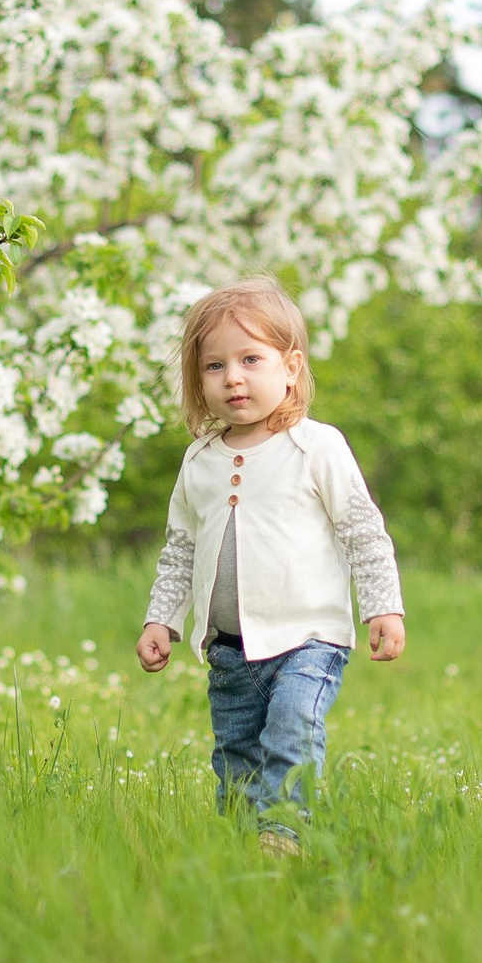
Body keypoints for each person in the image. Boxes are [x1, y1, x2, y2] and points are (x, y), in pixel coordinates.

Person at [136, 277, 406, 854]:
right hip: (230, 650)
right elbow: (180, 548)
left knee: (291, 729)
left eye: (250, 359)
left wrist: (383, 606)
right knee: (235, 757)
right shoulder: (200, 461)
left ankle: (284, 835)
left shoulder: (316, 447)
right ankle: (242, 855)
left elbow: (364, 532)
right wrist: (162, 619)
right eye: (214, 366)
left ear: (291, 367)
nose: (233, 378)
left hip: (308, 640)